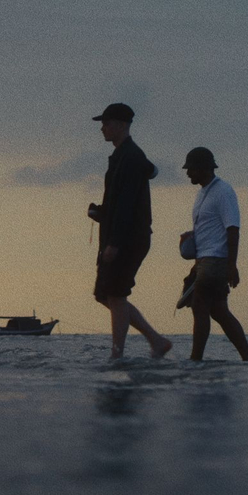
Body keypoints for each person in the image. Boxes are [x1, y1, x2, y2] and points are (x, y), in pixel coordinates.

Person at [88, 103, 171, 359]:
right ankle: (155, 341)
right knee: (106, 294)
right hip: (123, 236)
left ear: (122, 125)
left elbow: (126, 203)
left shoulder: (131, 157)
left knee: (115, 294)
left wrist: (114, 242)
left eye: (107, 123)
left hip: (127, 239)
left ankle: (117, 355)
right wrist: (101, 213)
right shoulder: (123, 156)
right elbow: (119, 202)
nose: (102, 127)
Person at [179, 147, 248, 362]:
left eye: (191, 169)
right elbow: (208, 230)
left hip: (216, 260)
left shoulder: (223, 192)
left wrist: (232, 266)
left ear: (204, 168)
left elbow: (233, 229)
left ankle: (196, 359)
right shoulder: (202, 193)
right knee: (219, 311)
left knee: (199, 306)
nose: (187, 174)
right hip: (205, 260)